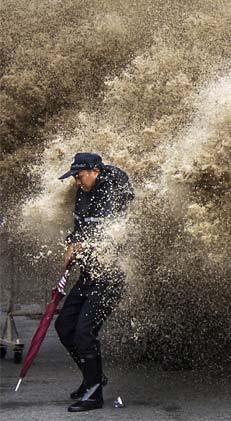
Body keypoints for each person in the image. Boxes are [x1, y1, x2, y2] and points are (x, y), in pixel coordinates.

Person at [54, 152, 134, 413]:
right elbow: (80, 228)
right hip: (89, 274)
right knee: (64, 326)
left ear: (94, 171)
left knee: (84, 333)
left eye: (79, 176)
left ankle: (93, 394)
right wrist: (71, 244)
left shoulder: (112, 189)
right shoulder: (84, 191)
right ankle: (93, 378)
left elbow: (110, 231)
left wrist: (80, 244)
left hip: (110, 275)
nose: (77, 182)